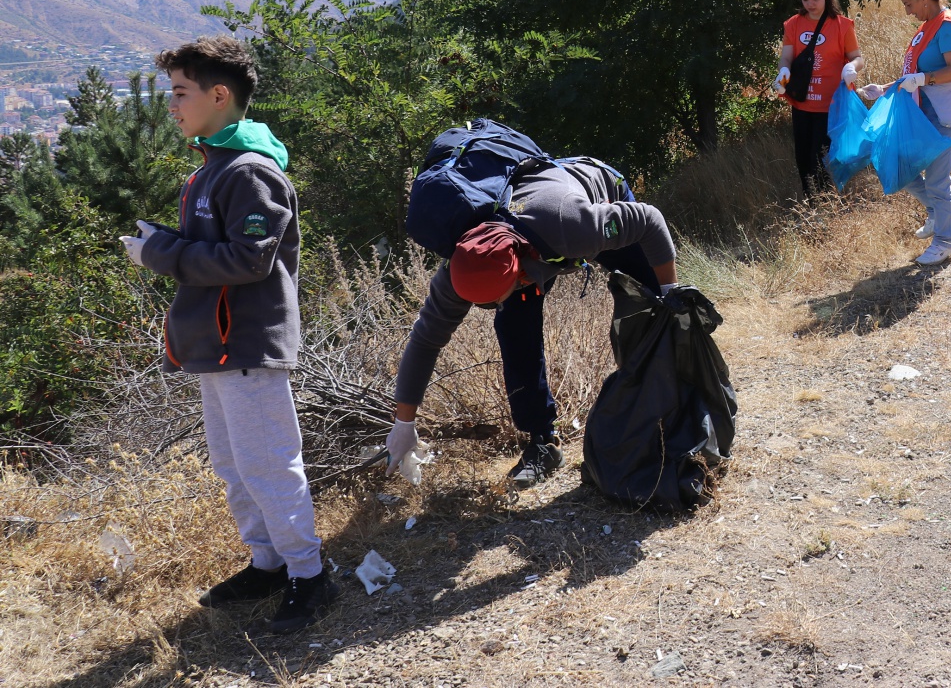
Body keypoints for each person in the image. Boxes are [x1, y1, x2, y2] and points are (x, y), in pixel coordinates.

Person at [119, 36, 336, 633]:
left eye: (180, 92)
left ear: (219, 95)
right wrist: (165, 239)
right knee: (233, 465)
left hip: (246, 343)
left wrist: (159, 253)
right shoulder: (212, 168)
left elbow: (249, 259)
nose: (171, 105)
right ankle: (269, 564)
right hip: (217, 345)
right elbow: (217, 247)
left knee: (268, 464)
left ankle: (311, 576)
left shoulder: (250, 172)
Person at [384, 158, 681, 489]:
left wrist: (670, 292)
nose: (487, 308)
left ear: (520, 275)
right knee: (514, 329)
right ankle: (544, 443)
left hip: (594, 196)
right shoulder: (460, 271)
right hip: (531, 241)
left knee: (653, 305)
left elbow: (649, 220)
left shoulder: (574, 226)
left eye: (491, 301)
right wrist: (403, 424)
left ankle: (678, 405)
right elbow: (425, 341)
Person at [859, 0, 951, 266]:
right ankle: (936, 213)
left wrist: (923, 79)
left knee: (938, 183)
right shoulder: (927, 27)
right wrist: (884, 88)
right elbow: (914, 74)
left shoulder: (947, 25)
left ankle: (945, 242)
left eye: (908, 4)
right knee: (901, 166)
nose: (907, 12)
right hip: (923, 115)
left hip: (946, 115)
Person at [774, 0, 863, 196]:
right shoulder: (793, 24)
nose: (810, 4)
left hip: (831, 104)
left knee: (820, 158)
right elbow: (786, 57)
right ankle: (811, 202)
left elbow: (857, 57)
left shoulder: (842, 25)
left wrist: (851, 67)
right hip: (802, 102)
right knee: (803, 158)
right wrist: (783, 70)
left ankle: (824, 204)